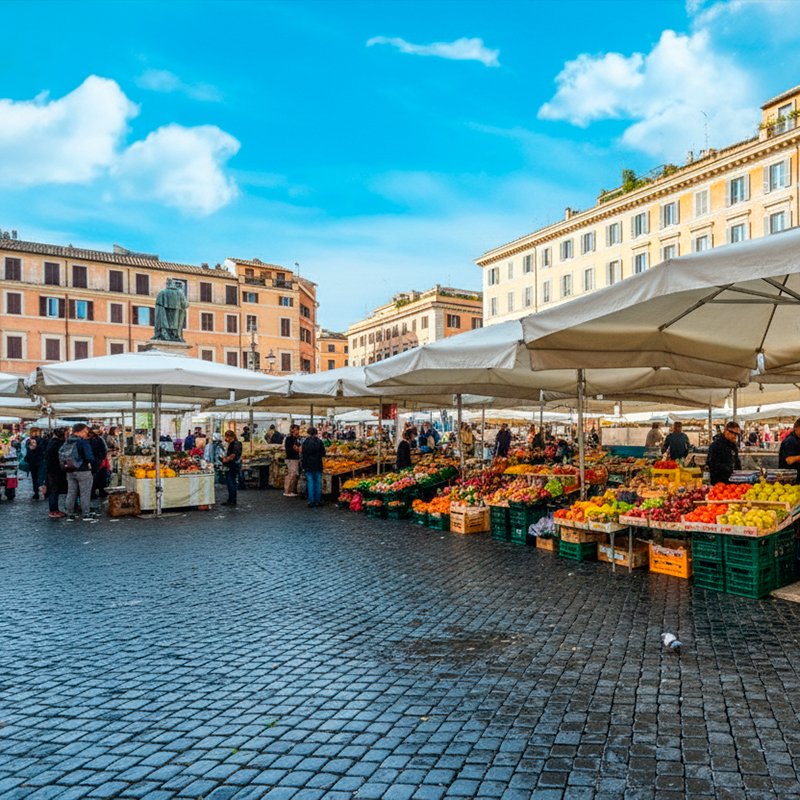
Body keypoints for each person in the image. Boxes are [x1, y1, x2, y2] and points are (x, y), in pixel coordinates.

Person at [61, 423, 96, 521]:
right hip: (83, 470)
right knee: (85, 492)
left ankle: (70, 513)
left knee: (71, 492)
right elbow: (89, 457)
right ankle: (86, 513)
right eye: (85, 431)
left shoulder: (67, 441)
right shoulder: (82, 442)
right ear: (81, 431)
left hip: (69, 469)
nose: (86, 433)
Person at [45, 428, 68, 518]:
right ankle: (53, 510)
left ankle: (54, 510)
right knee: (54, 490)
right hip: (56, 470)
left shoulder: (51, 442)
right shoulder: (58, 444)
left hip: (52, 469)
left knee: (53, 490)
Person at [301, 426, 326, 508]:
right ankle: (318, 501)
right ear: (316, 433)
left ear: (308, 433)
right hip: (318, 464)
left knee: (310, 483)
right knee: (318, 483)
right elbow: (323, 453)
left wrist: (303, 465)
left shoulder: (305, 442)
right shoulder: (320, 442)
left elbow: (303, 455)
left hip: (308, 465)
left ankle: (311, 501)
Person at [220, 430, 242, 506]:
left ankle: (232, 501)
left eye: (226, 437)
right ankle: (231, 500)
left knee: (231, 483)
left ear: (230, 437)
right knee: (231, 482)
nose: (226, 438)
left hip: (232, 466)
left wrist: (225, 459)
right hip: (233, 465)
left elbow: (233, 455)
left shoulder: (235, 444)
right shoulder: (234, 443)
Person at [25, 427, 46, 500]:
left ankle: (37, 492)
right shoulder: (31, 441)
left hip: (35, 461)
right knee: (37, 477)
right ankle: (37, 492)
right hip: (36, 461)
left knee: (36, 477)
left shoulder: (40, 440)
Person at [89, 427, 109, 503]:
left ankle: (94, 493)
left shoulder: (88, 440)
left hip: (94, 462)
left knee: (95, 478)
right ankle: (100, 492)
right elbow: (104, 450)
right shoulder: (99, 439)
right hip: (98, 462)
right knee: (100, 478)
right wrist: (100, 458)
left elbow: (104, 451)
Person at [283, 424, 301, 497]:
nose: (298, 431)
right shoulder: (290, 438)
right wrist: (297, 449)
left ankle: (292, 490)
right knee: (292, 474)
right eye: (297, 429)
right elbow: (292, 449)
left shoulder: (296, 438)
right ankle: (287, 491)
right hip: (291, 458)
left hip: (294, 458)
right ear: (292, 430)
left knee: (294, 474)